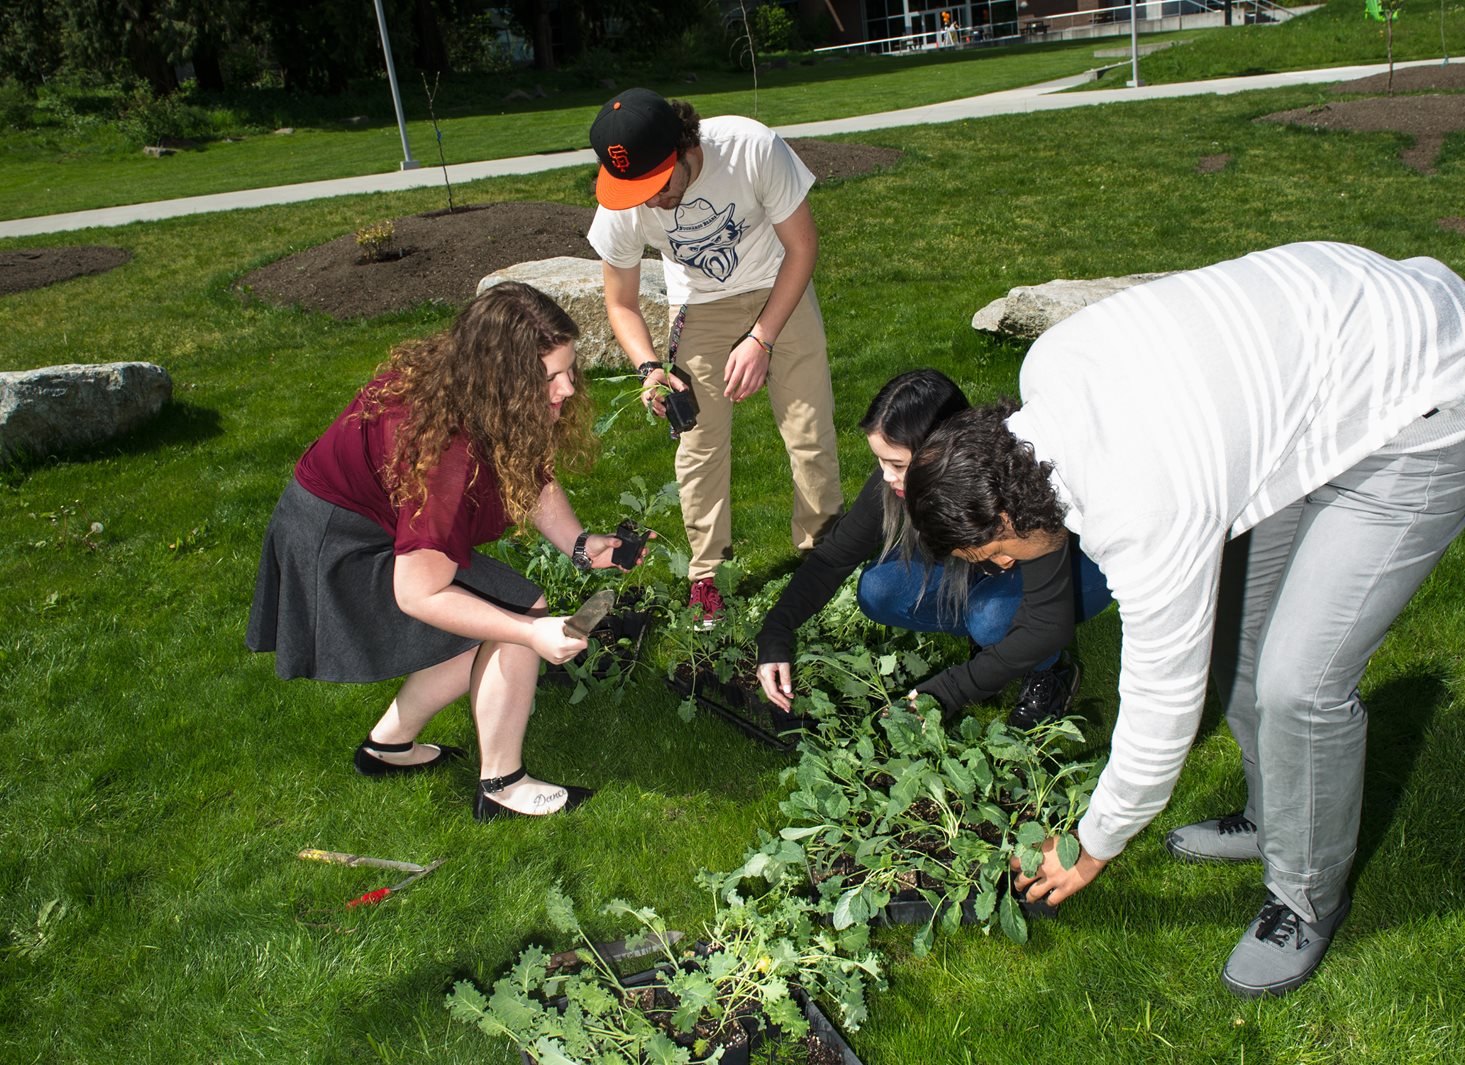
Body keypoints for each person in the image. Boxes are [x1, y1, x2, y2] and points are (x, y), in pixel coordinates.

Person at [903, 242, 1465, 997]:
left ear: (1006, 504)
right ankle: (1276, 817)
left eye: (990, 551)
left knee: (1300, 682)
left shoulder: (1140, 506)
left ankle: (1304, 898)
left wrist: (1093, 843)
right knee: (1237, 630)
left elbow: (1162, 707)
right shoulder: (1048, 372)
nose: (998, 566)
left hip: (1427, 396)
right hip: (1326, 382)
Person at [247, 283, 642, 821]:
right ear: (501, 380)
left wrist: (577, 544)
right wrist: (529, 634)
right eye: (550, 378)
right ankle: (502, 786)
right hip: (337, 541)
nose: (568, 388)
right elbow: (420, 592)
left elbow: (528, 470)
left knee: (481, 622)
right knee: (516, 610)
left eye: (568, 370)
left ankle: (388, 748)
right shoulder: (444, 455)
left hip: (355, 518)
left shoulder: (467, 383)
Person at [585, 88, 843, 627]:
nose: (650, 202)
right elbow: (621, 303)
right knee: (698, 446)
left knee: (808, 428)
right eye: (638, 192)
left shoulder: (750, 147)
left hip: (780, 284)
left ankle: (824, 558)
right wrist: (649, 369)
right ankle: (707, 578)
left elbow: (803, 246)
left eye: (659, 187)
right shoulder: (626, 203)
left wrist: (761, 338)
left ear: (683, 148)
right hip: (698, 307)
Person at [755, 370, 1110, 726]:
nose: (886, 476)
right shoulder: (891, 485)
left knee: (991, 618)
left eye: (898, 465)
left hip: (1075, 574)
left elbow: (1047, 622)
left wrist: (949, 690)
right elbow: (834, 557)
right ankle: (1001, 647)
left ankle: (1048, 672)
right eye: (880, 461)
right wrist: (776, 631)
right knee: (879, 588)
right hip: (994, 579)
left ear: (941, 451)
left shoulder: (1009, 488)